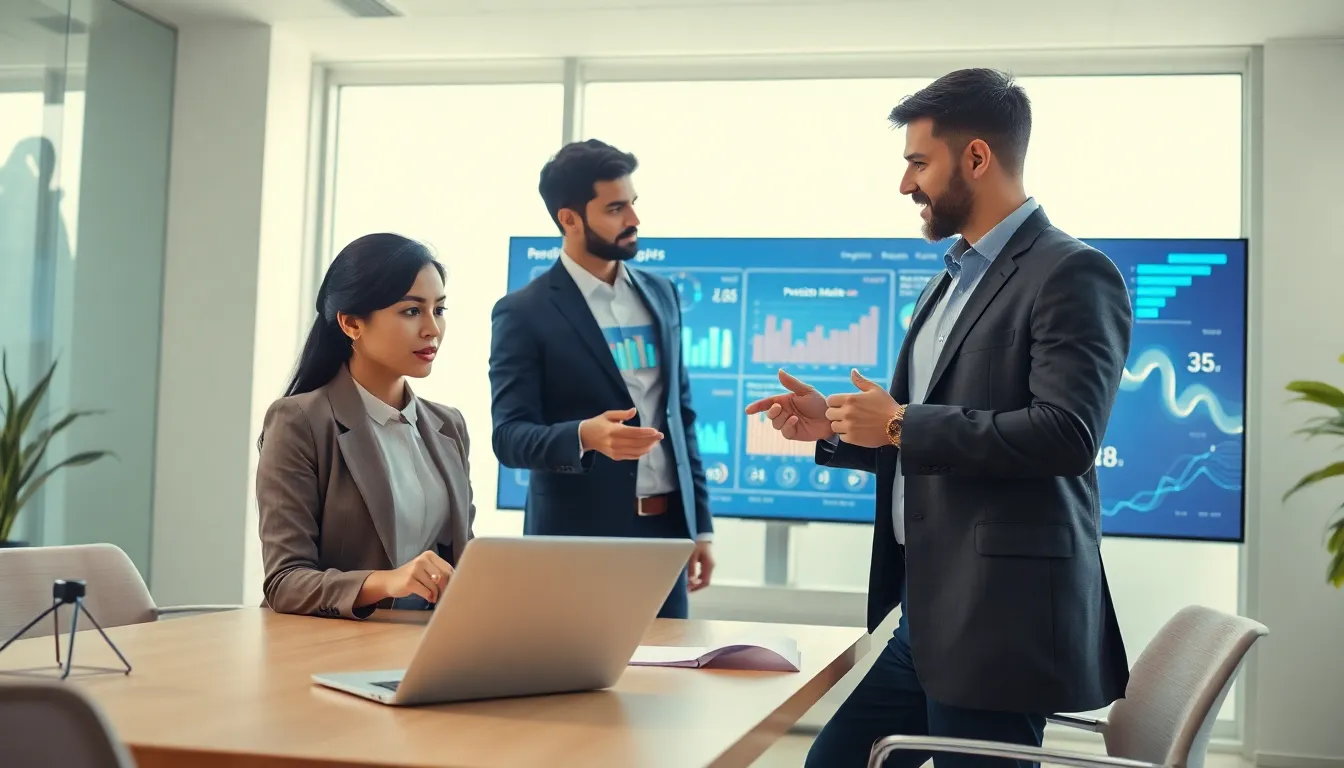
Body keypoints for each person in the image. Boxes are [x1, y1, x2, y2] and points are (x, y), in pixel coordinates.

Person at [744, 68, 1133, 767]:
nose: (905, 185)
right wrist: (839, 425)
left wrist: (897, 425)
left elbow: (1066, 435)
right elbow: (934, 437)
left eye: (918, 163)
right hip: (926, 613)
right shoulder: (945, 283)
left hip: (999, 624)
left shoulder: (1071, 273)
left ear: (977, 158)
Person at [488, 139, 714, 619]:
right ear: (568, 219)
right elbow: (508, 437)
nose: (633, 219)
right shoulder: (523, 312)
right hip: (575, 542)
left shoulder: (662, 293)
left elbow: (681, 416)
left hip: (667, 536)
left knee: (664, 686)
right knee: (574, 689)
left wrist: (702, 527)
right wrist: (583, 436)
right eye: (615, 208)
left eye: (633, 203)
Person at [256, 233, 476, 620]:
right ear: (352, 323)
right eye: (411, 311)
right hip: (328, 645)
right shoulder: (299, 421)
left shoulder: (449, 426)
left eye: (438, 310)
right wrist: (389, 581)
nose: (432, 329)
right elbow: (285, 582)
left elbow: (462, 558)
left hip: (427, 641)